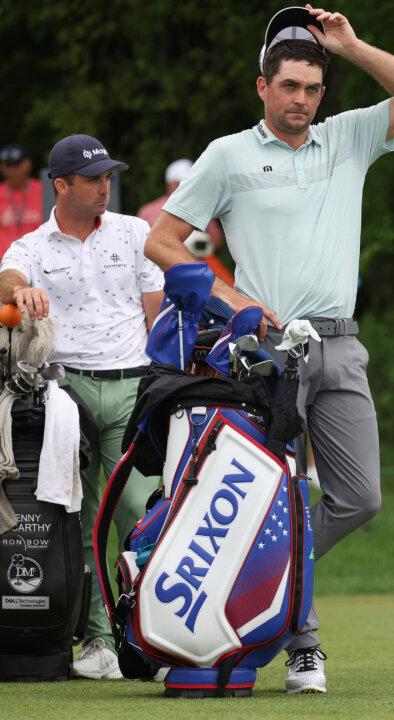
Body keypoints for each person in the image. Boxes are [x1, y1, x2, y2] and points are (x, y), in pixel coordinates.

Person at [142, 4, 394, 694]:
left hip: (340, 344)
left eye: (312, 89)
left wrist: (354, 45)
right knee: (274, 494)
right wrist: (229, 298)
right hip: (264, 350)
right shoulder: (228, 155)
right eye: (290, 87)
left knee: (359, 497)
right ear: (262, 87)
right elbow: (162, 238)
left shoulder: (349, 138)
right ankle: (301, 640)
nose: (301, 100)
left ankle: (262, 589)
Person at [0, 134, 164, 680]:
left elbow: (155, 309)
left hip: (133, 383)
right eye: (92, 179)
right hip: (66, 396)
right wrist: (18, 294)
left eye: (107, 177)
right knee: (83, 517)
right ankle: (98, 642)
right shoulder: (33, 245)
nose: (104, 187)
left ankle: (153, 637)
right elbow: (9, 275)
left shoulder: (136, 231)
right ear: (62, 184)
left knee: (138, 512)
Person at [137, 159, 233, 285]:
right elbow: (140, 245)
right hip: (156, 270)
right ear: (169, 184)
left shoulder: (202, 208)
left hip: (195, 269)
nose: (186, 187)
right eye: (180, 182)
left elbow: (216, 238)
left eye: (190, 183)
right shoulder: (148, 212)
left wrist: (198, 248)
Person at [0, 143, 44, 258]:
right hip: (5, 263)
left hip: (39, 261)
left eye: (16, 164)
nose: (11, 170)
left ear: (27, 164)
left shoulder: (44, 190)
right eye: (7, 165)